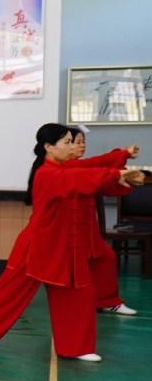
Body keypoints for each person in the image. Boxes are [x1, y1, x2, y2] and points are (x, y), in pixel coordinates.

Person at [0, 123, 144, 361]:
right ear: (49, 147)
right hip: (36, 246)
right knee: (7, 294)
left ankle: (77, 348)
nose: (72, 147)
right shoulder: (47, 173)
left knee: (81, 293)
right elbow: (76, 179)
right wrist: (116, 173)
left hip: (63, 247)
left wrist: (121, 177)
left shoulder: (63, 168)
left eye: (73, 142)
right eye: (67, 142)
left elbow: (87, 172)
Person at [67, 128, 139, 315]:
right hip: (65, 231)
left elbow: (103, 183)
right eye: (76, 142)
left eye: (83, 142)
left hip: (86, 230)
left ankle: (107, 301)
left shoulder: (80, 168)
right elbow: (96, 165)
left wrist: (126, 179)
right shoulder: (64, 169)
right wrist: (121, 155)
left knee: (105, 257)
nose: (82, 146)